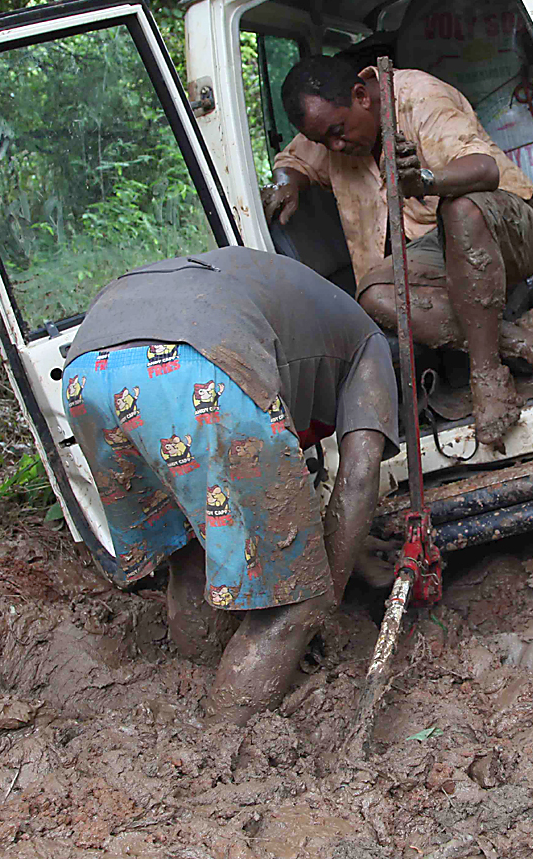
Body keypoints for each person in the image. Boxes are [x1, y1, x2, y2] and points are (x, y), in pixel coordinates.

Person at [59, 247, 398, 722]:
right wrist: (324, 599)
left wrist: (341, 547)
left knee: (191, 563)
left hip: (88, 367)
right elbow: (360, 475)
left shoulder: (300, 301)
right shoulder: (372, 344)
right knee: (294, 606)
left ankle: (194, 686)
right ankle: (215, 750)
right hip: (199, 362)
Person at [262, 54, 533, 448]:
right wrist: (287, 181)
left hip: (508, 230)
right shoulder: (331, 131)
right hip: (438, 257)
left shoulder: (417, 96)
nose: (334, 146)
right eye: (324, 141)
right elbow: (293, 158)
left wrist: (424, 181)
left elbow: (484, 171)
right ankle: (531, 345)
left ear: (361, 95)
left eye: (337, 132)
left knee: (461, 207)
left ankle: (488, 376)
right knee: (374, 295)